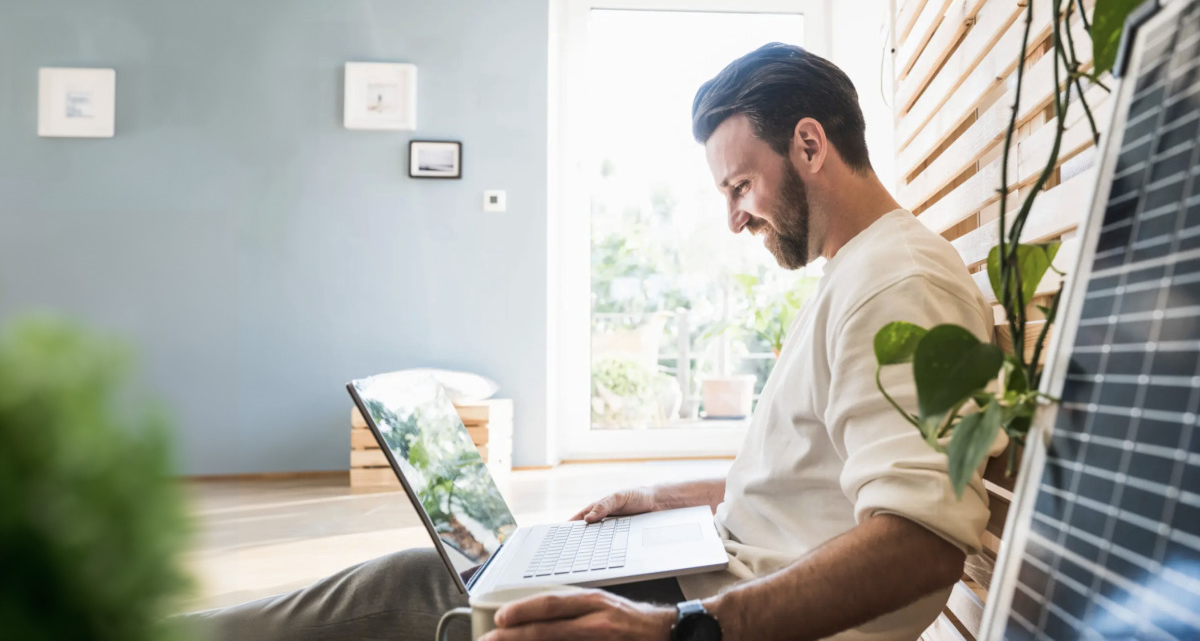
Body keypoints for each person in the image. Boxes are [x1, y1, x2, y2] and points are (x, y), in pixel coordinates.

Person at [192, 43, 998, 641]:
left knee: (418, 592)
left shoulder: (897, 284)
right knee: (439, 577)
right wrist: (665, 499)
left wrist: (677, 626)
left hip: (720, 610)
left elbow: (920, 542)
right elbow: (810, 481)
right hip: (718, 575)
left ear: (811, 146)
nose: (734, 216)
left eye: (740, 184)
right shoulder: (860, 271)